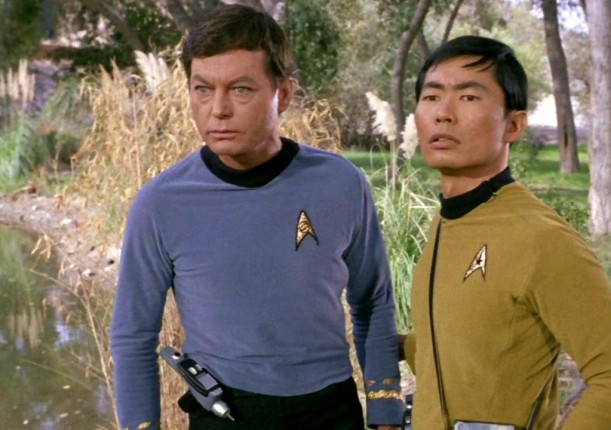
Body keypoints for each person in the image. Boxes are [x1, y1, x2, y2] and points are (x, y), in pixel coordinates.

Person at [109, 5, 403, 430]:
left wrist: (386, 409)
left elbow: (373, 301)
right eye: (202, 89)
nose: (218, 109)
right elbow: (133, 337)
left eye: (241, 89)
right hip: (224, 414)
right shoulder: (160, 203)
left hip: (331, 412)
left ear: (283, 94)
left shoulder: (341, 183)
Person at [400, 36, 611, 430]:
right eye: (431, 97)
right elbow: (478, 348)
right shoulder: (448, 221)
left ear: (513, 125)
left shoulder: (540, 238)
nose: (443, 113)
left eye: (468, 97)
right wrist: (399, 346)